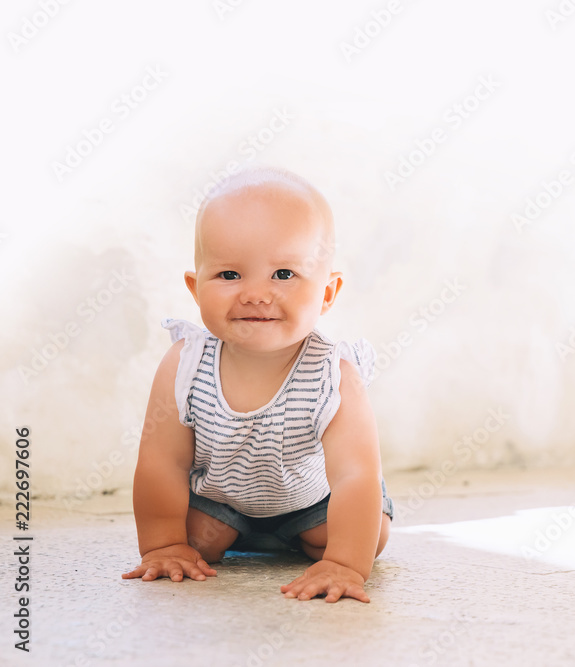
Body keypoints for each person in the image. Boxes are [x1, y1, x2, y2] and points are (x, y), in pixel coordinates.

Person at [122, 166, 392, 603]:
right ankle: (239, 533)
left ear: (327, 293)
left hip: (313, 503)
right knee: (195, 539)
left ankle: (306, 541)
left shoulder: (333, 375)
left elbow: (355, 475)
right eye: (230, 275)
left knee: (368, 534)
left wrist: (345, 564)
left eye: (283, 274)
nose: (256, 294)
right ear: (195, 288)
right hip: (221, 501)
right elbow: (162, 463)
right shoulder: (186, 364)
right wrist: (163, 545)